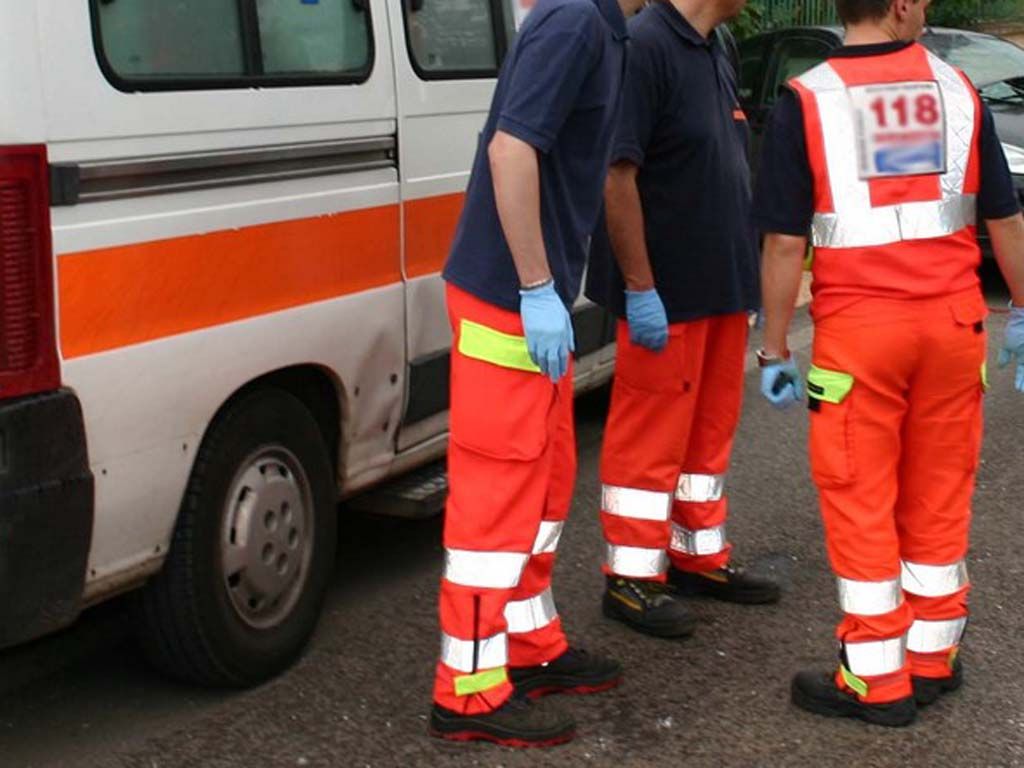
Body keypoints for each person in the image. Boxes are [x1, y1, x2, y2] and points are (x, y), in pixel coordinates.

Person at [754, 0, 1024, 727]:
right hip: (951, 325)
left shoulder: (806, 100)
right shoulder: (956, 91)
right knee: (938, 491)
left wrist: (775, 348)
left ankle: (876, 679)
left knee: (860, 497)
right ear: (901, 5)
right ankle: (932, 659)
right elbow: (1005, 215)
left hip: (859, 339)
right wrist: (1023, 312)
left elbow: (783, 244)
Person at [427, 0, 643, 747]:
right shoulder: (578, 20)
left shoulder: (605, 30)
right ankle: (469, 691)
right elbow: (512, 149)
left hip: (527, 298)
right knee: (498, 497)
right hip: (504, 300)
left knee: (545, 483)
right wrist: (531, 286)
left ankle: (527, 645)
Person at [586, 0, 779, 640]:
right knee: (650, 435)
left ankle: (695, 554)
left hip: (720, 286)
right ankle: (632, 577)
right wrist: (640, 287)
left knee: (708, 433)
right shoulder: (645, 46)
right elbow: (617, 175)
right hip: (665, 293)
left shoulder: (714, 47)